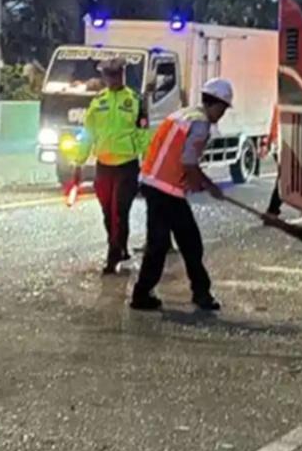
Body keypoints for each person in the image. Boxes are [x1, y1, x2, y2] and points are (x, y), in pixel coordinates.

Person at [130, 78, 234, 312]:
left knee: (160, 242)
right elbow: (188, 162)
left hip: (152, 181)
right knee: (189, 243)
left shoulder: (183, 115)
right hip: (166, 189)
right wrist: (209, 186)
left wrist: (194, 181)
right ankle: (199, 293)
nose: (223, 114)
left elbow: (178, 157)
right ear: (215, 104)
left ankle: (144, 293)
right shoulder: (201, 124)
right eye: (224, 109)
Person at [67, 56, 150, 274]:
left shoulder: (135, 100)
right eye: (109, 75)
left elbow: (143, 135)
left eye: (117, 74)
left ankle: (113, 255)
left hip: (127, 165)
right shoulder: (98, 102)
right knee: (107, 212)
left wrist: (148, 163)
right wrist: (79, 162)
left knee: (120, 212)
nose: (113, 78)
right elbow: (87, 134)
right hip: (104, 165)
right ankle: (118, 246)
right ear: (104, 77)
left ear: (123, 74)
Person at [262, 103, 283, 217]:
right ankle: (272, 210)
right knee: (284, 177)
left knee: (284, 176)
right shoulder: (282, 104)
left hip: (277, 144)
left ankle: (273, 210)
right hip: (281, 144)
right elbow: (275, 124)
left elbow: (273, 123)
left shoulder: (279, 103)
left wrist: (269, 141)